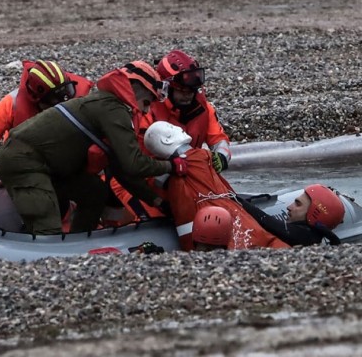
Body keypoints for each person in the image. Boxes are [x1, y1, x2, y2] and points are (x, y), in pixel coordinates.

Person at [0, 61, 187, 235]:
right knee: (46, 224)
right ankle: (49, 248)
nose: (146, 110)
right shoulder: (113, 109)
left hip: (47, 163)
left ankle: (78, 240)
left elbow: (120, 168)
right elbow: (133, 163)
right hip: (23, 161)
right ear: (136, 89)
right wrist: (171, 165)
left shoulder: (108, 105)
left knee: (95, 192)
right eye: (147, 101)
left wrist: (156, 201)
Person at [108, 49, 232, 225]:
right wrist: (173, 172)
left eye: (191, 90)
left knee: (218, 205)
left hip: (182, 177)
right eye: (182, 90)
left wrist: (220, 156)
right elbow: (136, 163)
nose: (188, 95)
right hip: (138, 182)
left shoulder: (205, 109)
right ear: (167, 88)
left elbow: (219, 139)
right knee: (154, 220)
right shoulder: (146, 112)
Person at [0, 60, 94, 199]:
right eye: (54, 101)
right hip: (24, 164)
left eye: (66, 94)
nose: (62, 105)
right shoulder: (12, 104)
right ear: (37, 99)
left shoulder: (80, 100)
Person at [144, 121, 289, 250]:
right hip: (218, 214)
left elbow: (219, 140)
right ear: (166, 140)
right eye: (172, 128)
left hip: (195, 225)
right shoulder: (199, 158)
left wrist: (221, 157)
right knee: (260, 239)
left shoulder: (177, 171)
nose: (177, 128)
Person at [238, 184, 344, 246]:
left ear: (314, 215)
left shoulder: (305, 236)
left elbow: (267, 221)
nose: (289, 207)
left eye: (298, 204)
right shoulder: (313, 237)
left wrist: (235, 199)